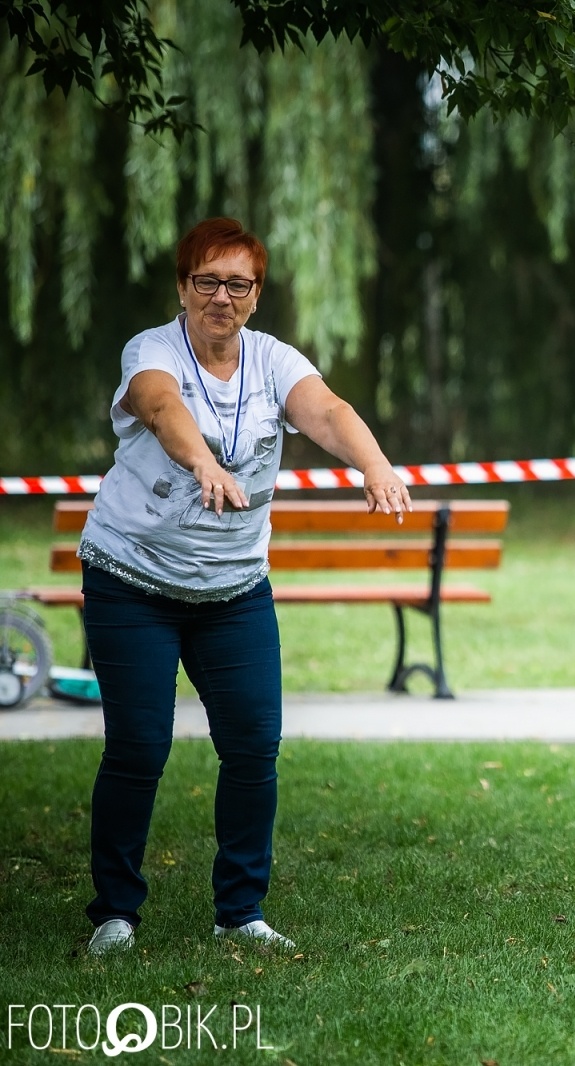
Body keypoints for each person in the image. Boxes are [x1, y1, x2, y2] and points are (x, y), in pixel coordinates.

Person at [80, 218, 413, 955]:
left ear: (256, 295)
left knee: (255, 745)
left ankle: (240, 910)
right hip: (133, 578)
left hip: (233, 590)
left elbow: (326, 411)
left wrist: (376, 464)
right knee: (139, 746)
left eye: (238, 284)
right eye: (207, 281)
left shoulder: (272, 362)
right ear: (182, 286)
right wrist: (201, 460)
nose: (221, 297)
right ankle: (115, 914)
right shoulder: (152, 350)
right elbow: (163, 407)